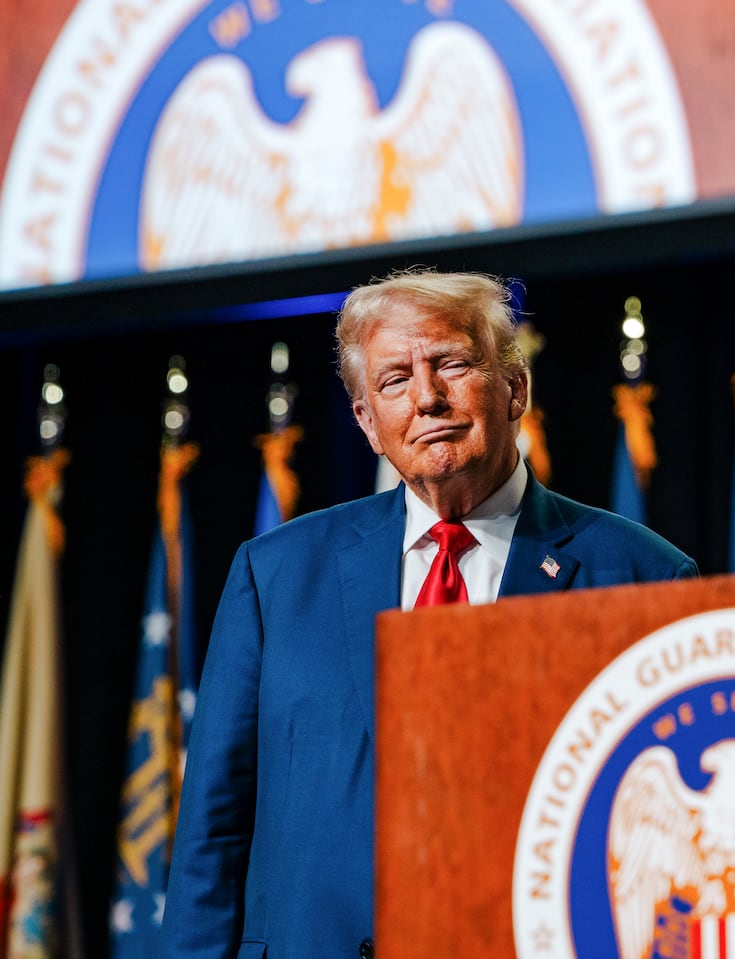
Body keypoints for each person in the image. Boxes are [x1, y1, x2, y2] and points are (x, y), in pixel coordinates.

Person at [161, 270, 698, 959]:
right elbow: (213, 829)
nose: (427, 396)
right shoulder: (276, 576)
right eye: (394, 381)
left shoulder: (640, 575)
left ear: (515, 388)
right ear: (367, 422)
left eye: (452, 363)